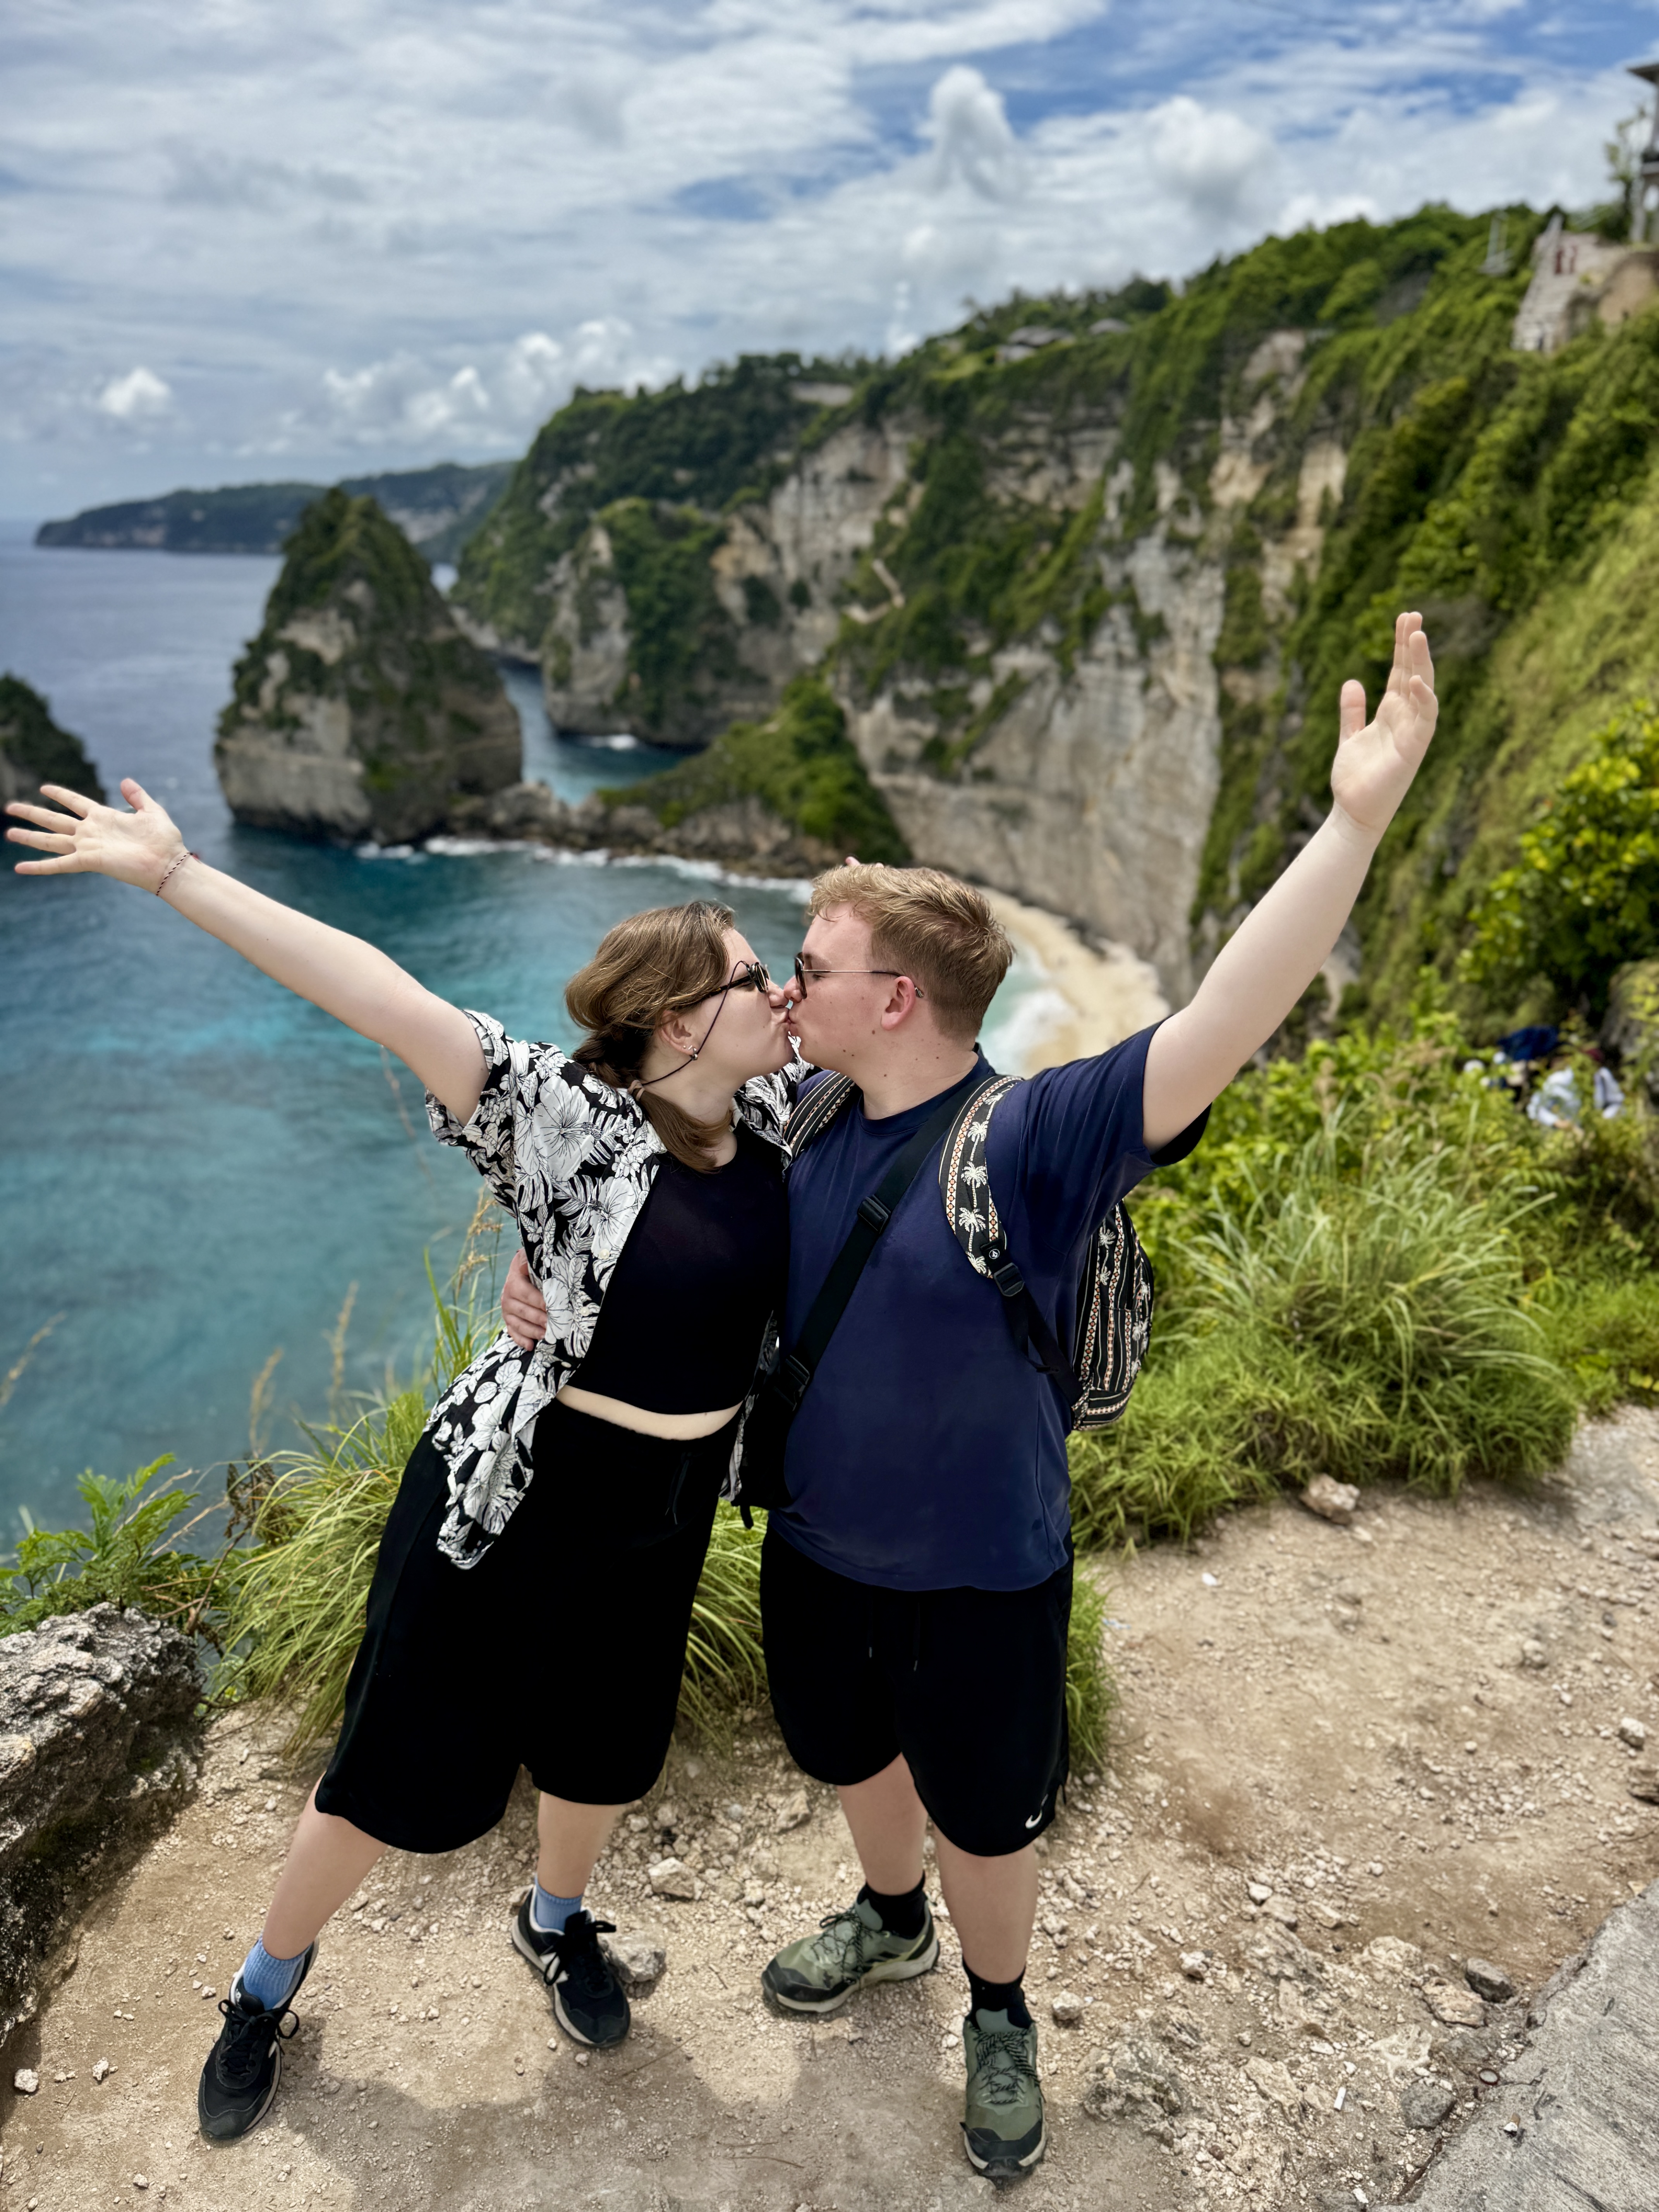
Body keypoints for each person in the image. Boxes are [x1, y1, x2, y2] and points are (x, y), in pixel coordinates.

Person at [501, 611, 1441, 2179]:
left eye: (808, 969)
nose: (783, 993)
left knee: (988, 1816)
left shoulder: (1034, 1140)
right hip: (814, 1550)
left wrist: (1351, 824)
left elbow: (1219, 1022)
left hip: (986, 1569)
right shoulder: (796, 1115)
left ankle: (998, 2012)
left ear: (897, 998)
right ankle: (891, 1921)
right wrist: (541, 1278)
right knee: (846, 1756)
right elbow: (607, 1135)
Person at [1, 783, 798, 2140]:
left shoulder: (782, 1116)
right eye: (751, 974)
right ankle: (264, 1987)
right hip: (514, 1502)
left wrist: (861, 919)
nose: (778, 990)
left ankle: (554, 1921)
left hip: (663, 1516)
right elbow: (385, 997)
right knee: (393, 1767)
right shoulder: (570, 1117)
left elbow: (896, 1023)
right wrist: (178, 873)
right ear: (677, 1019)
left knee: (603, 1754)